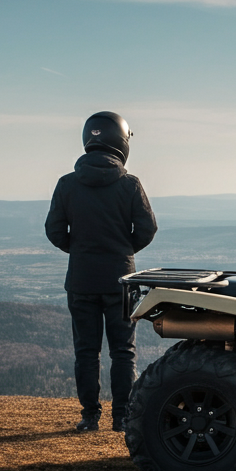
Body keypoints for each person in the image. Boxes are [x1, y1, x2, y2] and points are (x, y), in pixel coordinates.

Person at [45, 111, 157, 432]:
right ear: (121, 142)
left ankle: (89, 417)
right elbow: (147, 228)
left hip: (80, 280)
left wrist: (79, 251)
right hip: (120, 279)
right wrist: (123, 250)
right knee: (123, 351)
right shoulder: (129, 185)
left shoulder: (67, 184)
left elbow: (54, 231)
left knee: (86, 351)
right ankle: (121, 417)